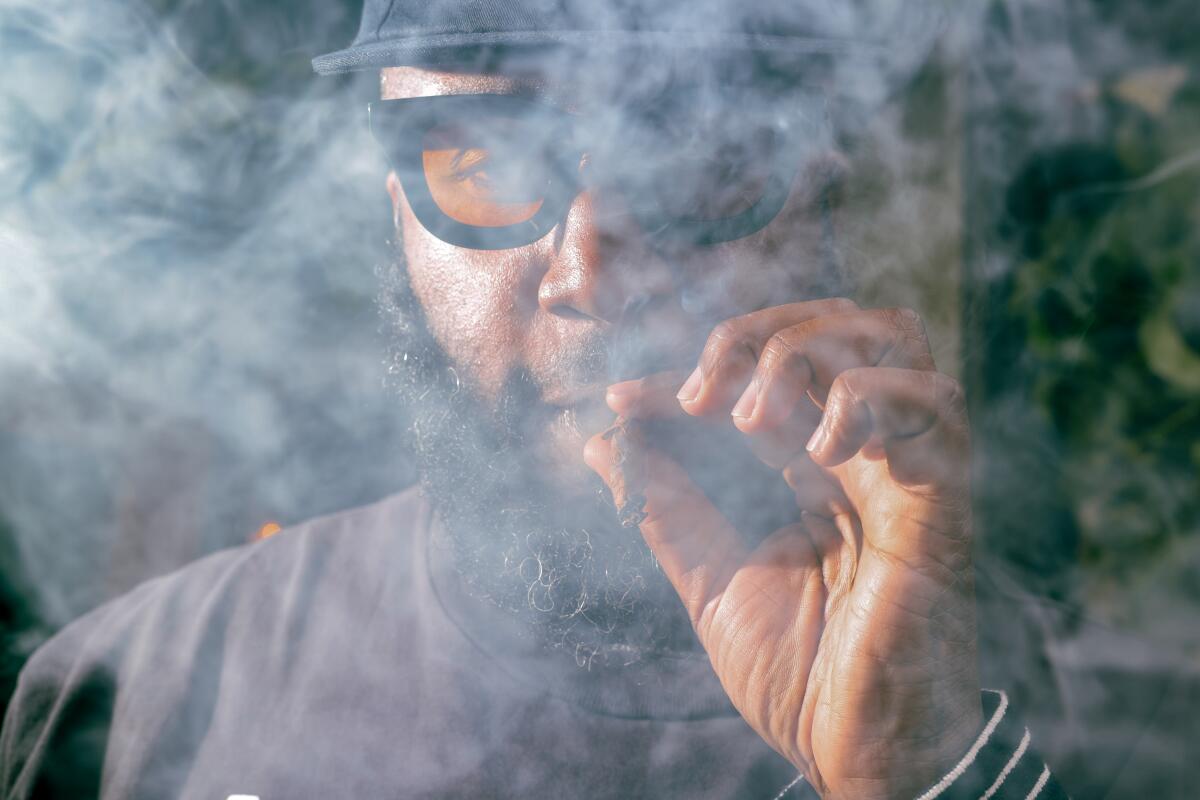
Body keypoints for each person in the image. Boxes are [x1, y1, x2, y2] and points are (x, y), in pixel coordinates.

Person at [0, 1, 1094, 797]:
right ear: (394, 208)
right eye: (477, 155)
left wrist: (908, 776)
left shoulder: (1016, 712)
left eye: (693, 152)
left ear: (820, 187)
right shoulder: (138, 689)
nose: (589, 273)